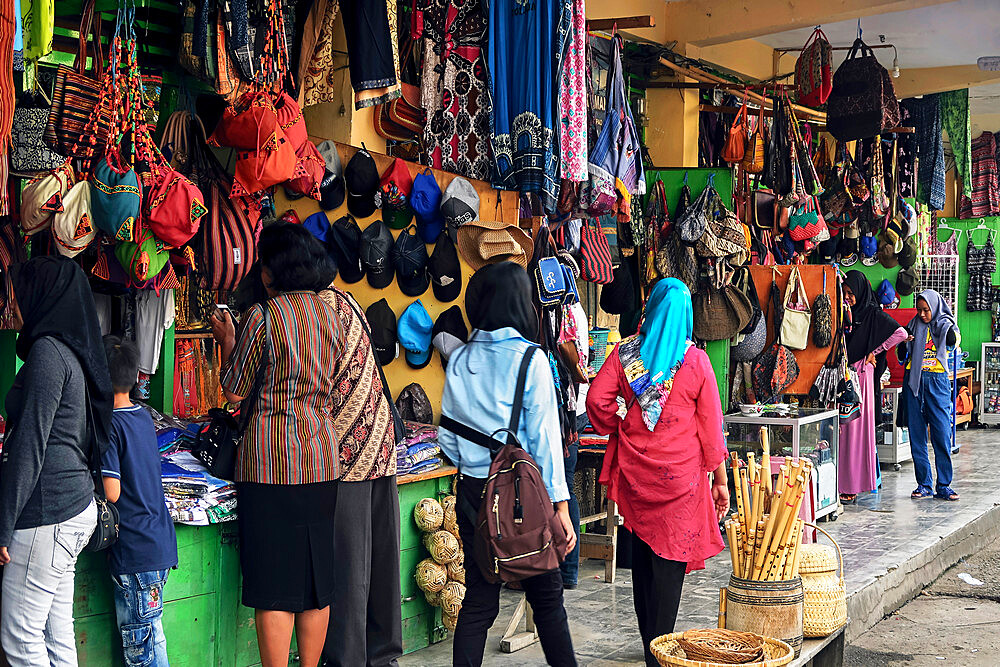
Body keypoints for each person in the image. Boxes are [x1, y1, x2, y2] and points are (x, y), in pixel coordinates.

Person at [212, 223, 345, 667]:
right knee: (314, 582)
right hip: (322, 459)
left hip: (269, 463)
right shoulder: (331, 315)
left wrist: (228, 342)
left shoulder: (263, 318)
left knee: (275, 585)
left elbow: (233, 392)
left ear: (272, 270)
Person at [439, 262, 578, 667]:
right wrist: (561, 509)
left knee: (479, 604)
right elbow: (546, 443)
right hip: (522, 501)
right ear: (522, 303)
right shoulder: (530, 360)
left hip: (473, 497)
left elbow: (447, 438)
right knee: (549, 604)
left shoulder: (459, 357)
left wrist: (479, 465)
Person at [586, 278, 729, 667]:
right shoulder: (697, 362)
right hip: (680, 485)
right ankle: (659, 653)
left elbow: (597, 401)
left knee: (644, 563)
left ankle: (651, 642)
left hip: (635, 478)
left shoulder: (624, 354)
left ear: (651, 309)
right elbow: (710, 429)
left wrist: (620, 422)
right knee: (668, 567)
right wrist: (720, 481)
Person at [0, 256, 112, 666]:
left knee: (20, 639)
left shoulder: (49, 352)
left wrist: (3, 525)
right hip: (69, 508)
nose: (16, 303)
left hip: (48, 511)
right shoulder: (71, 352)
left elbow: (30, 445)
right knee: (54, 631)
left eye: (21, 294)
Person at [317, 284, 402, 667]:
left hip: (347, 451)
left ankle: (347, 659)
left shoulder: (314, 310)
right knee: (380, 560)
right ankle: (383, 655)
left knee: (350, 568)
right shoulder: (344, 298)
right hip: (379, 442)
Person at [100, 337, 178, 666]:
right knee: (152, 634)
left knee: (142, 645)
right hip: (158, 542)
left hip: (135, 552)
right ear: (135, 377)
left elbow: (112, 492)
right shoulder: (144, 416)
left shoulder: (111, 425)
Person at [839, 271, 908, 504]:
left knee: (857, 431)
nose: (848, 297)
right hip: (844, 376)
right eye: (845, 293)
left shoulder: (872, 314)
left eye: (851, 293)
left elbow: (901, 333)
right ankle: (841, 483)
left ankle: (853, 485)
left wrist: (874, 351)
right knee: (842, 431)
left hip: (861, 376)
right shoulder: (845, 315)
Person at [898, 289, 961, 501]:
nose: (923, 314)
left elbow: (953, 340)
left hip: (937, 383)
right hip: (914, 382)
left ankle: (944, 485)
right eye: (920, 310)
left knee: (941, 434)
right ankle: (923, 484)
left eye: (926, 310)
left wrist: (950, 332)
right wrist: (903, 342)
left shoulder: (946, 324)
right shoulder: (914, 324)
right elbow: (903, 350)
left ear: (935, 307)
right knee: (917, 436)